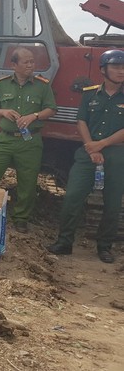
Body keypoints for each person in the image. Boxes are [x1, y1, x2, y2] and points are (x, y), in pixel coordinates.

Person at [0, 47, 57, 233]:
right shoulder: (2, 84)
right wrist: (3, 112)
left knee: (28, 182)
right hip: (5, 140)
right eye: (26, 62)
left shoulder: (42, 85)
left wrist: (34, 116)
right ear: (14, 65)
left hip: (30, 142)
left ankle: (21, 218)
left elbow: (51, 109)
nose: (31, 65)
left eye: (32, 61)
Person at [47, 49, 124, 263]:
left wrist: (102, 144)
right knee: (72, 197)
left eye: (123, 67)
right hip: (87, 153)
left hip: (117, 155)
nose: (121, 71)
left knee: (113, 203)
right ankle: (64, 243)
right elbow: (81, 121)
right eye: (116, 66)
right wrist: (91, 146)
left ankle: (104, 246)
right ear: (103, 69)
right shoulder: (90, 94)